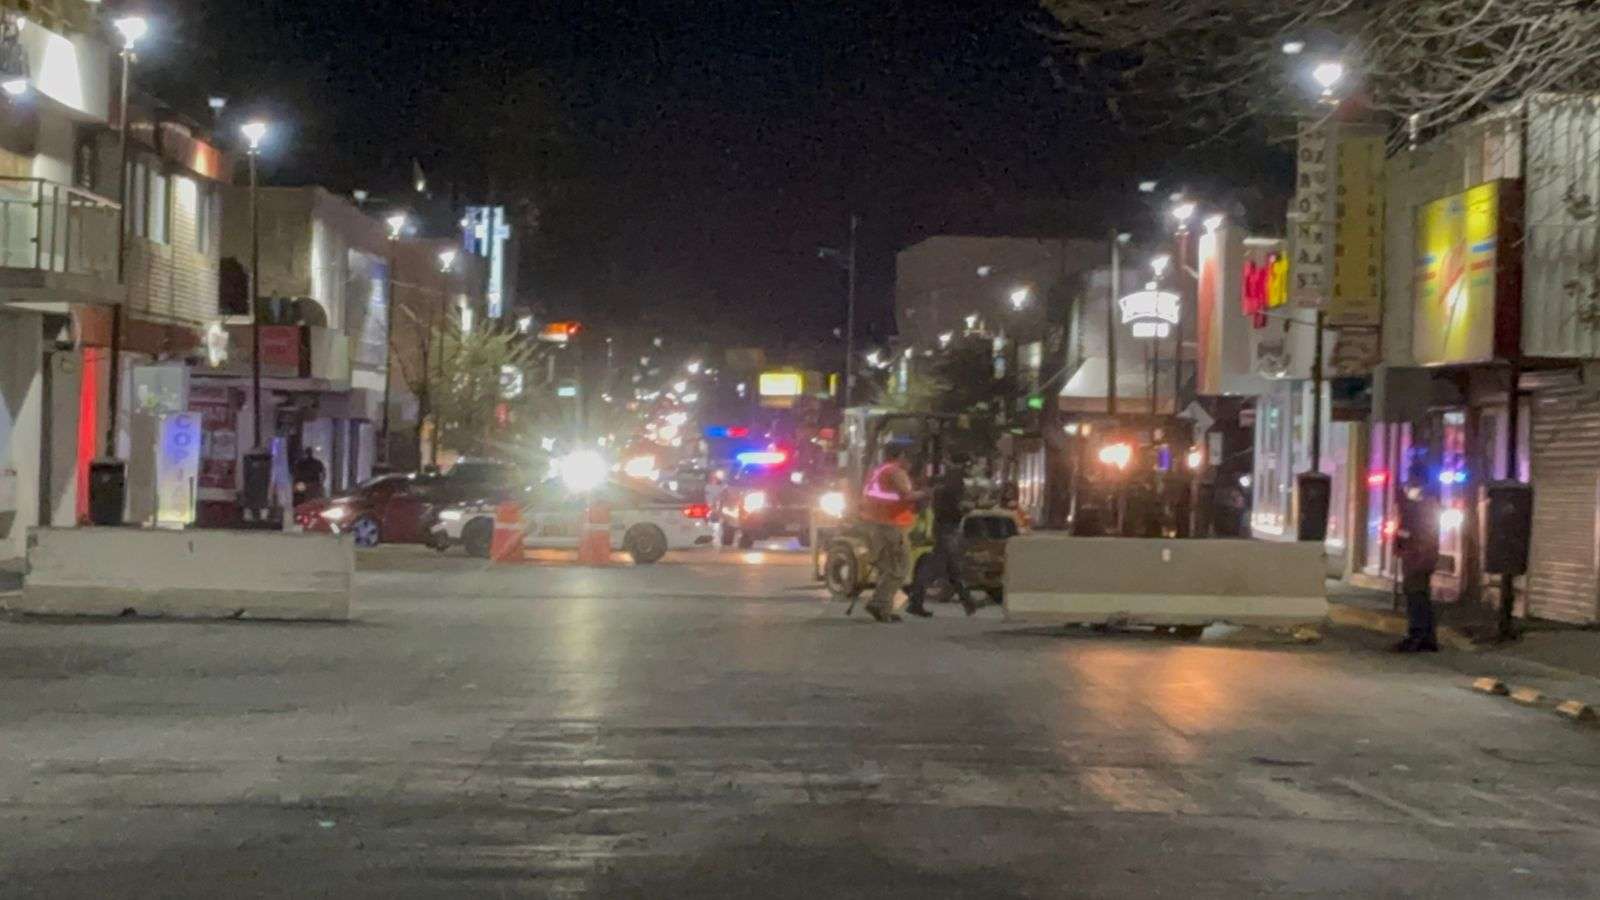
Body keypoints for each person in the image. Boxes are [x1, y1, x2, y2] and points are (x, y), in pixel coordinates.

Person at [859, 443, 924, 623]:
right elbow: (906, 496)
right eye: (909, 458)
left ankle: (884, 608)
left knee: (888, 568)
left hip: (877, 523)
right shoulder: (895, 472)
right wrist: (927, 493)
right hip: (892, 525)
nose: (911, 463)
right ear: (901, 455)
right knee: (900, 568)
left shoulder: (880, 471)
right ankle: (879, 603)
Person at [907, 455, 977, 617]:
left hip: (942, 529)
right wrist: (963, 509)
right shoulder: (950, 489)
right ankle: (916, 601)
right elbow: (952, 510)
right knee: (937, 567)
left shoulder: (940, 489)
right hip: (946, 530)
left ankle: (967, 601)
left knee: (950, 567)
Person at [1394, 469, 1441, 652]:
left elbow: (1410, 532)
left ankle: (1417, 635)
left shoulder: (1418, 508)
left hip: (1416, 558)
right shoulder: (1429, 505)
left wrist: (1401, 545)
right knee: (1421, 596)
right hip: (1422, 558)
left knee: (1415, 596)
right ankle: (1428, 637)